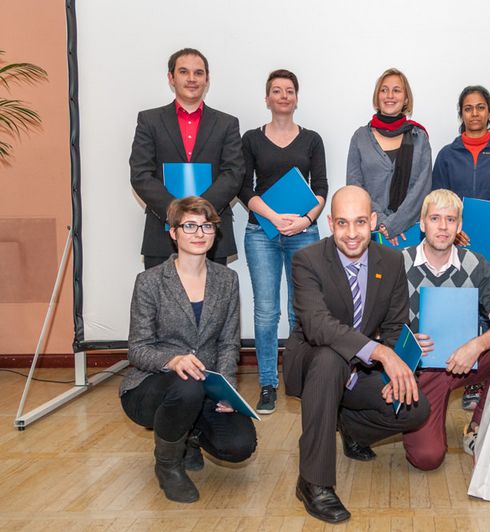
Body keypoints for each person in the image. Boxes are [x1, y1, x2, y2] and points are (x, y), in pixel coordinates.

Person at [283, 185, 430, 524]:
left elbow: (394, 326)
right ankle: (313, 482)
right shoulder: (307, 260)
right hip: (313, 361)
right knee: (329, 358)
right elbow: (317, 325)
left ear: (373, 222)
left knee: (415, 408)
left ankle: (349, 427)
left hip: (359, 367)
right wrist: (380, 353)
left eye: (360, 222)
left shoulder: (391, 261)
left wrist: (395, 369)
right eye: (343, 223)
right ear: (330, 223)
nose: (352, 233)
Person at [120, 196, 257, 504]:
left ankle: (188, 435)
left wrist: (227, 390)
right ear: (173, 232)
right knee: (187, 386)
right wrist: (173, 360)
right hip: (152, 387)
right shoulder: (150, 282)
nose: (199, 233)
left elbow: (228, 343)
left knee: (239, 445)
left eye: (207, 226)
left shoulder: (227, 280)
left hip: (204, 387)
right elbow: (138, 349)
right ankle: (168, 465)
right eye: (190, 226)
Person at [401, 189, 490, 470]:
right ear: (422, 223)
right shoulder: (398, 262)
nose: (443, 227)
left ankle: (478, 426)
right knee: (427, 458)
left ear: (459, 226)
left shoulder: (475, 263)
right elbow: (377, 323)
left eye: (450, 219)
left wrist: (476, 346)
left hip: (466, 362)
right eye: (435, 218)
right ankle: (412, 418)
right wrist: (407, 343)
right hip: (420, 372)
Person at [238, 69, 328, 415]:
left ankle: (297, 378)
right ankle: (267, 383)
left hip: (303, 233)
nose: (283, 96)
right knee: (266, 311)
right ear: (267, 98)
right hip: (261, 232)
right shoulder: (251, 139)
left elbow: (320, 187)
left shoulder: (312, 139)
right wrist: (274, 218)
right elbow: (244, 188)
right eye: (277, 91)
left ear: (296, 98)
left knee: (299, 310)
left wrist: (306, 220)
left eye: (289, 90)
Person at [130, 48, 245, 269]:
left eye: (198, 73)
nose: (192, 78)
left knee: (215, 293)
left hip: (212, 234)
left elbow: (234, 173)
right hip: (162, 234)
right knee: (160, 293)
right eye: (184, 72)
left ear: (207, 79)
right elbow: (140, 174)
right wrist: (176, 212)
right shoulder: (149, 120)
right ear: (171, 78)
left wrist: (200, 213)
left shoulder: (227, 123)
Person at [431, 85, 490, 290]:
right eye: (468, 108)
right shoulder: (447, 155)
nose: (474, 113)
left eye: (480, 107)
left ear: (489, 112)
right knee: (458, 304)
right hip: (456, 245)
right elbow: (437, 201)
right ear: (461, 114)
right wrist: (452, 231)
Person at [346, 68, 432, 246]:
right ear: (377, 97)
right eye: (384, 90)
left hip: (410, 231)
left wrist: (396, 224)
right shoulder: (360, 137)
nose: (389, 95)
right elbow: (355, 186)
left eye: (396, 90)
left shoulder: (419, 138)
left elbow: (422, 188)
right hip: (370, 231)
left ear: (406, 98)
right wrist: (381, 222)